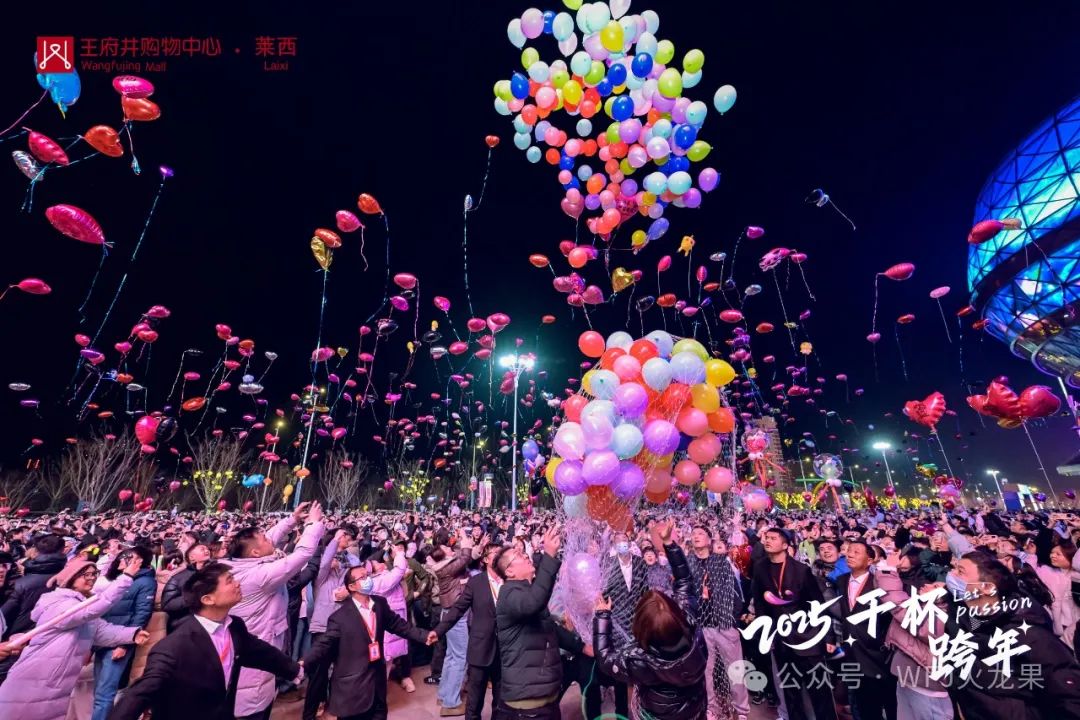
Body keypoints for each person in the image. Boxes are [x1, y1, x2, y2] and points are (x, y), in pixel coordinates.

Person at [108, 562, 302, 720]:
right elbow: (142, 692)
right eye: (229, 581)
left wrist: (295, 670)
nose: (237, 584)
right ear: (208, 599)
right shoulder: (174, 647)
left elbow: (260, 652)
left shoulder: (234, 626)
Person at [0, 556, 151, 720]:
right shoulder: (59, 602)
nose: (91, 578)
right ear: (71, 578)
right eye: (86, 574)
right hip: (36, 676)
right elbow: (90, 610)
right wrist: (125, 578)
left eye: (94, 574)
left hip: (58, 681)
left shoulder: (82, 605)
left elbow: (100, 631)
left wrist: (131, 634)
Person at [943, 551, 1080, 718]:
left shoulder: (1031, 636)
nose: (951, 574)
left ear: (987, 587)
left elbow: (1069, 700)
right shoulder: (965, 619)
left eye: (960, 571)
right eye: (954, 568)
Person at [594, 519, 708, 719]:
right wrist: (669, 543)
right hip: (695, 711)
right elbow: (685, 581)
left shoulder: (640, 661)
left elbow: (605, 659)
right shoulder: (692, 629)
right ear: (675, 611)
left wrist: (602, 616)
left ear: (643, 627)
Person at [227, 500, 325, 720]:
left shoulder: (240, 563)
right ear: (255, 552)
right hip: (256, 661)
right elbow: (302, 554)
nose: (269, 539)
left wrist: (292, 520)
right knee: (253, 708)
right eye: (263, 539)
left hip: (259, 649)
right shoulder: (260, 576)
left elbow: (267, 541)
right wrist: (313, 525)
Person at [302, 564, 433, 720]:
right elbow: (323, 644)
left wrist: (424, 636)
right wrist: (304, 661)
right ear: (352, 586)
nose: (368, 580)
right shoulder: (339, 618)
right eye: (362, 577)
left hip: (377, 684)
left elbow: (400, 625)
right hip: (353, 691)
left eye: (368, 576)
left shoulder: (380, 604)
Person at [495, 524, 587, 719]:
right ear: (509, 572)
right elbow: (533, 603)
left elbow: (550, 628)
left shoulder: (529, 592)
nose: (525, 555)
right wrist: (549, 555)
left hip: (546, 698)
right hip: (526, 705)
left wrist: (582, 646)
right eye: (518, 555)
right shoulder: (509, 594)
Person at [748, 527, 837, 720]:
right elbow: (761, 604)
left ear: (785, 545)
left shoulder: (800, 570)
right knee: (791, 692)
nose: (768, 541)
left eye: (773, 538)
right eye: (766, 537)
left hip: (808, 638)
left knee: (819, 691)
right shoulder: (760, 568)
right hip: (782, 639)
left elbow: (817, 604)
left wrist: (829, 636)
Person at [432, 541, 503, 720]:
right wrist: (438, 631)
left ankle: (446, 696)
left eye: (500, 552)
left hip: (504, 647)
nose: (499, 555)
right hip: (481, 647)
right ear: (486, 560)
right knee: (474, 696)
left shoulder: (509, 580)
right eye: (495, 553)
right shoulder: (476, 582)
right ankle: (451, 702)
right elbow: (458, 609)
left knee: (501, 698)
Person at [688, 524, 751, 720]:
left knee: (735, 669)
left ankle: (742, 709)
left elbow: (736, 593)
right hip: (702, 626)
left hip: (724, 624)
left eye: (701, 533)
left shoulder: (721, 562)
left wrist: (732, 621)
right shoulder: (689, 563)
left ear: (709, 540)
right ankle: (711, 708)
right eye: (693, 533)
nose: (696, 536)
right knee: (705, 671)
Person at [92, 545, 157, 720]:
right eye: (122, 555)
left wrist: (124, 644)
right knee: (98, 691)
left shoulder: (145, 582)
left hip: (120, 641)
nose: (122, 559)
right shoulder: (119, 579)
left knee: (104, 694)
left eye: (128, 556)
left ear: (139, 561)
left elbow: (141, 614)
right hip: (103, 638)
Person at [835, 539, 896, 720]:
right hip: (851, 652)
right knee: (861, 703)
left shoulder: (879, 582)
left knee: (886, 702)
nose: (850, 555)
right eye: (849, 551)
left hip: (876, 655)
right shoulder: (841, 581)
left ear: (870, 560)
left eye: (856, 552)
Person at [0, 534, 67, 682]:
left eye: (4, 565)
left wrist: (21, 638)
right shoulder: (19, 585)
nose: (1, 570)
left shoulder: (16, 586)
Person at [427, 529, 478, 716]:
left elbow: (464, 557)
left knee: (451, 656)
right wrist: (465, 539)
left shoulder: (445, 565)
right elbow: (465, 557)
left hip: (450, 614)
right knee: (460, 658)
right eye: (447, 549)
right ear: (442, 555)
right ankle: (451, 703)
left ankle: (445, 694)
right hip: (456, 616)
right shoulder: (445, 567)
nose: (450, 548)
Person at [160, 542, 211, 632]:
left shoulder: (214, 573)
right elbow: (167, 604)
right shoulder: (178, 578)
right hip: (187, 624)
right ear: (192, 557)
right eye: (202, 549)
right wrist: (194, 596)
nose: (207, 551)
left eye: (207, 549)